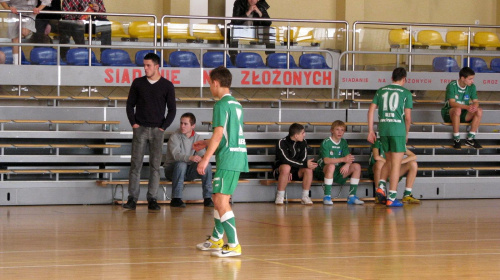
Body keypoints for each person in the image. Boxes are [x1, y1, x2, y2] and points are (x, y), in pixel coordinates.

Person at [195, 66, 248, 258]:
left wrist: (204, 159)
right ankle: (217, 238)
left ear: (215, 83)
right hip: (235, 154)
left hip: (229, 158)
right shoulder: (236, 104)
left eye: (209, 83)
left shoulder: (220, 105)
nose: (209, 87)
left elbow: (218, 135)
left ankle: (233, 244)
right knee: (219, 198)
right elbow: (228, 135)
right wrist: (206, 143)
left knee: (220, 200)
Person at [124, 53, 176, 211]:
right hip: (140, 129)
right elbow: (129, 105)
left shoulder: (167, 85)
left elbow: (172, 110)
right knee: (136, 165)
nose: (145, 68)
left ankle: (152, 198)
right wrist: (134, 123)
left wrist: (163, 127)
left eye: (148, 65)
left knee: (155, 166)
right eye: (144, 65)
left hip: (157, 130)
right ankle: (132, 198)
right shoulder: (138, 83)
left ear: (156, 66)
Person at [367, 67, 413, 207]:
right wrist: (406, 133)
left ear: (392, 78)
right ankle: (392, 197)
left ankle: (381, 186)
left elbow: (371, 110)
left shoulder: (381, 90)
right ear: (404, 79)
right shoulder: (406, 93)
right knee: (396, 165)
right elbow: (408, 118)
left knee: (388, 160)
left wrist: (370, 130)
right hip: (397, 130)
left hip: (383, 129)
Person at [164, 112, 213, 208]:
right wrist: (191, 157)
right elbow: (176, 156)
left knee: (207, 165)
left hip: (188, 170)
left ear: (193, 126)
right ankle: (176, 199)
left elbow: (202, 153)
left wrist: (202, 159)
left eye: (185, 124)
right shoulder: (175, 137)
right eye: (181, 123)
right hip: (172, 170)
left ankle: (208, 198)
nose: (182, 126)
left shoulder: (198, 137)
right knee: (181, 164)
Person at [315, 120, 363, 206]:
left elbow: (348, 158)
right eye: (337, 129)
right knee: (331, 166)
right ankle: (327, 196)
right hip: (324, 171)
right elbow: (326, 160)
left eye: (342, 130)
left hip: (338, 171)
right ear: (332, 130)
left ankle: (352, 196)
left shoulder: (343, 142)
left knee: (357, 166)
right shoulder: (326, 142)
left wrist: (347, 165)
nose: (340, 132)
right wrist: (343, 160)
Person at [273, 123, 318, 205]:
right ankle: (280, 196)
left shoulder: (303, 142)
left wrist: (305, 165)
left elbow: (304, 159)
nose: (305, 135)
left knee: (308, 169)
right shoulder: (281, 142)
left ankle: (305, 196)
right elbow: (285, 159)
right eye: (303, 133)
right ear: (296, 135)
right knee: (286, 167)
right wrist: (290, 170)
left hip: (296, 171)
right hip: (281, 171)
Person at [441, 67, 483, 150]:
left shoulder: (472, 86)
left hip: (464, 113)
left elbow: (476, 101)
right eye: (470, 79)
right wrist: (467, 107)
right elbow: (452, 103)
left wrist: (474, 107)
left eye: (473, 79)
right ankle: (456, 138)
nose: (472, 81)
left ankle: (470, 139)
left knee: (479, 111)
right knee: (457, 109)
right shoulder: (452, 85)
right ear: (462, 78)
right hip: (449, 113)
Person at [369, 139, 420, 204]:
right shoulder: (378, 141)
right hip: (379, 171)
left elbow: (413, 156)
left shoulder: (397, 142)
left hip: (392, 170)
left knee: (413, 164)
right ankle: (379, 194)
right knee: (380, 163)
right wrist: (390, 163)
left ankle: (407, 194)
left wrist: (399, 162)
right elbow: (376, 157)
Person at [0, 0, 50, 64]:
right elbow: (2, 0)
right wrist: (8, 8)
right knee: (15, 38)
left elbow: (47, 1)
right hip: (14, 11)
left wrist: (39, 8)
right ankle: (16, 62)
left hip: (30, 11)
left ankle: (30, 33)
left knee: (25, 32)